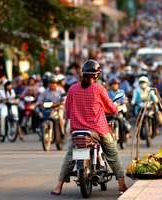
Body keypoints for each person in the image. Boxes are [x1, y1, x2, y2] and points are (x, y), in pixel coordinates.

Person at [51, 60, 127, 196]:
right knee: (113, 154)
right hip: (98, 130)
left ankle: (58, 187)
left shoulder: (73, 88)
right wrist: (116, 110)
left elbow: (67, 112)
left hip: (77, 131)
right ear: (97, 75)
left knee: (69, 157)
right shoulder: (99, 89)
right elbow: (110, 107)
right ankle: (122, 185)